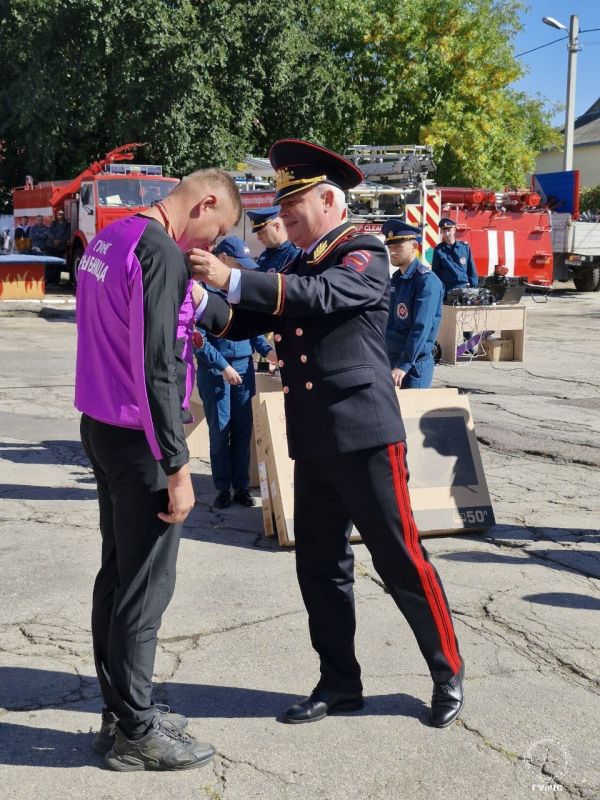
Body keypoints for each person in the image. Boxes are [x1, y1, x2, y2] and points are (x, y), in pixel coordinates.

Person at [190, 140, 464, 729]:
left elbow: (319, 298)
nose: (282, 218)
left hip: (365, 435)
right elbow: (253, 317)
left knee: (400, 560)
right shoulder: (296, 262)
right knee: (320, 566)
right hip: (313, 438)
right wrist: (202, 299)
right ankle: (340, 681)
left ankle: (446, 670)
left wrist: (233, 278)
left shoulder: (361, 250)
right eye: (280, 208)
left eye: (293, 207)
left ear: (329, 200)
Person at [74, 168, 241, 771]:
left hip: (101, 428)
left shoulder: (107, 240)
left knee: (117, 578)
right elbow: (157, 368)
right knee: (144, 590)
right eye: (211, 233)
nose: (205, 249)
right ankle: (136, 732)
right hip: (140, 442)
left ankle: (119, 711)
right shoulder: (159, 251)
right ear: (204, 203)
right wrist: (178, 465)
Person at [195, 235, 277, 509]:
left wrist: (267, 351)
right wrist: (223, 367)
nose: (240, 269)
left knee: (243, 430)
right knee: (220, 430)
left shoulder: (238, 292)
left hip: (244, 368)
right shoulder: (202, 294)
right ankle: (222, 488)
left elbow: (251, 330)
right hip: (216, 370)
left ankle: (241, 486)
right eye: (236, 263)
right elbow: (198, 340)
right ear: (221, 259)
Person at [382, 219, 444, 389]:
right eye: (390, 247)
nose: (393, 252)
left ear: (414, 247)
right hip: (392, 361)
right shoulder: (397, 279)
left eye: (398, 247)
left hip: (413, 365)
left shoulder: (426, 281)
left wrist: (404, 365)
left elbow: (421, 327)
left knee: (411, 415)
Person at [246, 205, 300, 273]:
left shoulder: (294, 255)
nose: (258, 238)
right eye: (257, 233)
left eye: (262, 232)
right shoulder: (264, 255)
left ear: (277, 227)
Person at [432, 217, 478, 295]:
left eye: (449, 230)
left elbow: (471, 269)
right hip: (447, 291)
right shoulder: (438, 250)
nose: (446, 234)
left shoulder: (465, 247)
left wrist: (474, 289)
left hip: (464, 289)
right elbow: (435, 273)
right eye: (444, 231)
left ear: (454, 230)